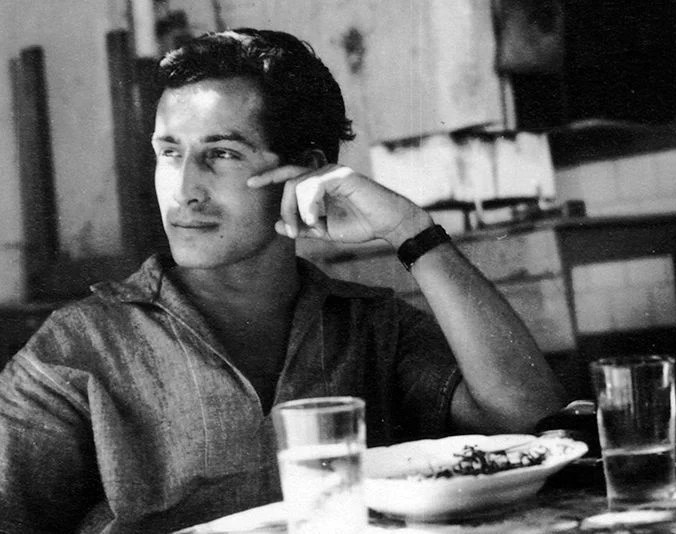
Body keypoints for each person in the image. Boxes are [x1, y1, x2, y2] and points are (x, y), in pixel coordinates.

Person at [0, 28, 566, 533]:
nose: (184, 190)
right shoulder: (76, 351)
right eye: (169, 153)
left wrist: (409, 230)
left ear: (308, 171)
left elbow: (525, 417)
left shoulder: (371, 327)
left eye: (222, 154)